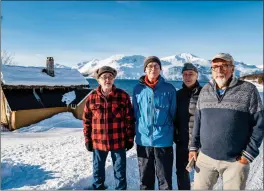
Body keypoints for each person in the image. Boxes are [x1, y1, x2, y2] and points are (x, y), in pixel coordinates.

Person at [189, 53, 264, 190]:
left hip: (235, 161)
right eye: (215, 67)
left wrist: (248, 154)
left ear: (232, 69)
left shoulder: (248, 90)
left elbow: (259, 124)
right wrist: (193, 147)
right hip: (205, 158)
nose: (219, 70)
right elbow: (198, 121)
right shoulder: (205, 90)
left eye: (224, 66)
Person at [83, 66, 135, 190]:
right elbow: (87, 121)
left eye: (110, 77)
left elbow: (129, 119)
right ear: (98, 80)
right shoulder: (91, 98)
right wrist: (87, 140)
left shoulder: (123, 96)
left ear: (113, 79)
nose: (107, 79)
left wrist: (129, 138)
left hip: (118, 142)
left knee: (120, 172)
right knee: (98, 172)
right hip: (98, 142)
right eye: (104, 77)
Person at [132, 56, 177, 190]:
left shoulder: (169, 89)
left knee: (165, 180)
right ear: (145, 69)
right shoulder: (138, 89)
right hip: (143, 140)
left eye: (156, 66)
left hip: (163, 140)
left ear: (160, 69)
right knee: (145, 179)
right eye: (150, 66)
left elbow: (173, 113)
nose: (153, 68)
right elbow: (136, 112)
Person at [175, 63, 202, 190]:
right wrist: (176, 135)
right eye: (185, 74)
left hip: (200, 143)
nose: (187, 77)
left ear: (197, 75)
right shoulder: (178, 95)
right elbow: (174, 117)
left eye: (191, 74)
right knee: (181, 173)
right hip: (182, 142)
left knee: (202, 175)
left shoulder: (205, 94)